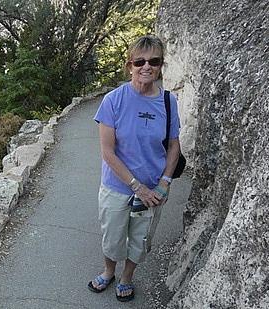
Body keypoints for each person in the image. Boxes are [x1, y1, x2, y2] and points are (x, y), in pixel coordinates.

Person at [88, 35, 182, 302]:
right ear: (130, 65)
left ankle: (127, 277)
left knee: (140, 240)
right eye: (139, 61)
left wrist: (164, 182)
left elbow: (173, 146)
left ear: (160, 65)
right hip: (118, 187)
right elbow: (108, 152)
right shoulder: (113, 100)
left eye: (154, 60)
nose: (146, 66)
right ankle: (109, 272)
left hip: (153, 190)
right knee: (113, 237)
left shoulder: (167, 101)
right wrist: (136, 187)